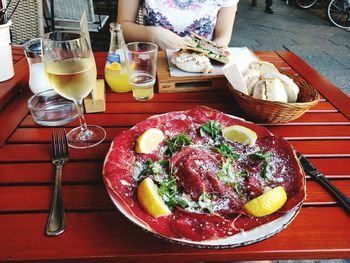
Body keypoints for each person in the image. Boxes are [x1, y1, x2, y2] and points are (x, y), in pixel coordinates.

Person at [117, 0, 238, 50]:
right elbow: (121, 27)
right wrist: (154, 35)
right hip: (150, 66)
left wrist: (202, 55)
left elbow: (223, 36)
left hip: (202, 68)